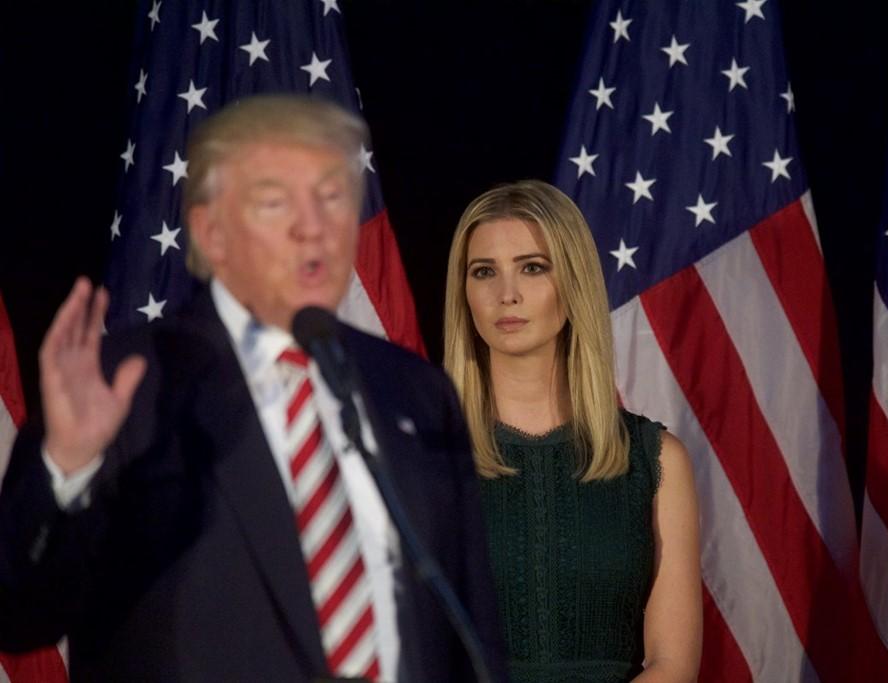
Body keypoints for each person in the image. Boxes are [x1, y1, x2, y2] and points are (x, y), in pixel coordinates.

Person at [0, 95, 504, 683]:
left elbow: (471, 634)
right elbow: (19, 616)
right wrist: (67, 466)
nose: (312, 227)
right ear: (211, 232)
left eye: (332, 197)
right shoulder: (126, 385)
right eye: (274, 202)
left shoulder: (414, 390)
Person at [443, 181, 702, 682]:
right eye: (484, 272)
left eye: (533, 267)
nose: (506, 294)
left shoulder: (655, 461)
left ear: (574, 283)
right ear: (464, 293)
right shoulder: (423, 459)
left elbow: (673, 664)